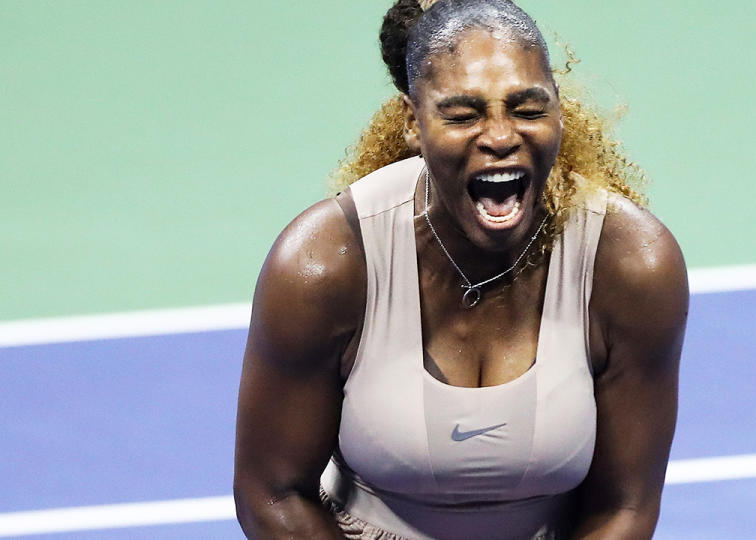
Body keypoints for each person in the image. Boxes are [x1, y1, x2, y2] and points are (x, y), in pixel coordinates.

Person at [233, 0, 688, 538]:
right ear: (412, 122)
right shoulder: (323, 265)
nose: (499, 137)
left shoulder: (631, 263)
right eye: (463, 114)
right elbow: (273, 493)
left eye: (526, 108)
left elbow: (625, 506)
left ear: (559, 110)